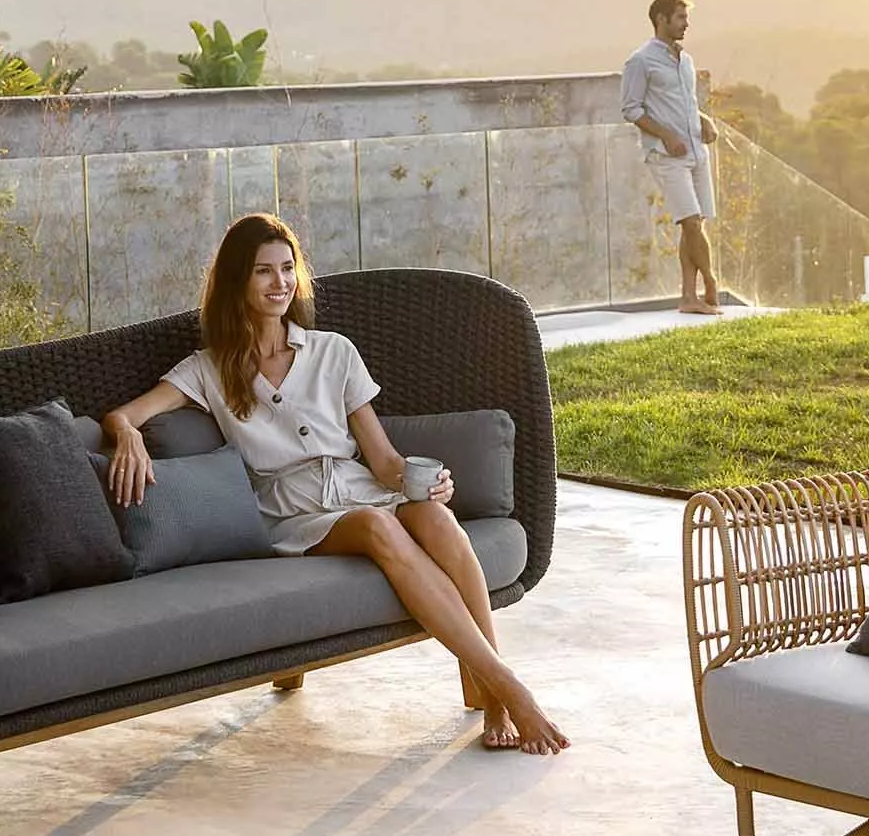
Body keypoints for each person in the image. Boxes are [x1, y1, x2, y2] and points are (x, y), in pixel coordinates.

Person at [99, 213, 568, 756]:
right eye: (262, 272)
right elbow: (123, 415)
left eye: (287, 268)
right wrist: (127, 434)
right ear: (237, 282)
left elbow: (384, 460)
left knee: (435, 517)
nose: (280, 283)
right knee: (376, 526)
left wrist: (429, 481)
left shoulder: (334, 351)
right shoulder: (210, 368)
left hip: (362, 487)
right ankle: (512, 690)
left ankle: (492, 697)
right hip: (292, 513)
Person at [620, 0, 722, 314]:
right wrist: (666, 135)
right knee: (691, 223)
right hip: (666, 155)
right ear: (661, 20)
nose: (686, 24)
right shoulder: (640, 61)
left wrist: (705, 121)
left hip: (696, 151)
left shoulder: (686, 61)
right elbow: (631, 110)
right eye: (680, 17)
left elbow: (687, 103)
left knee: (692, 224)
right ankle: (711, 281)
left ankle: (689, 298)